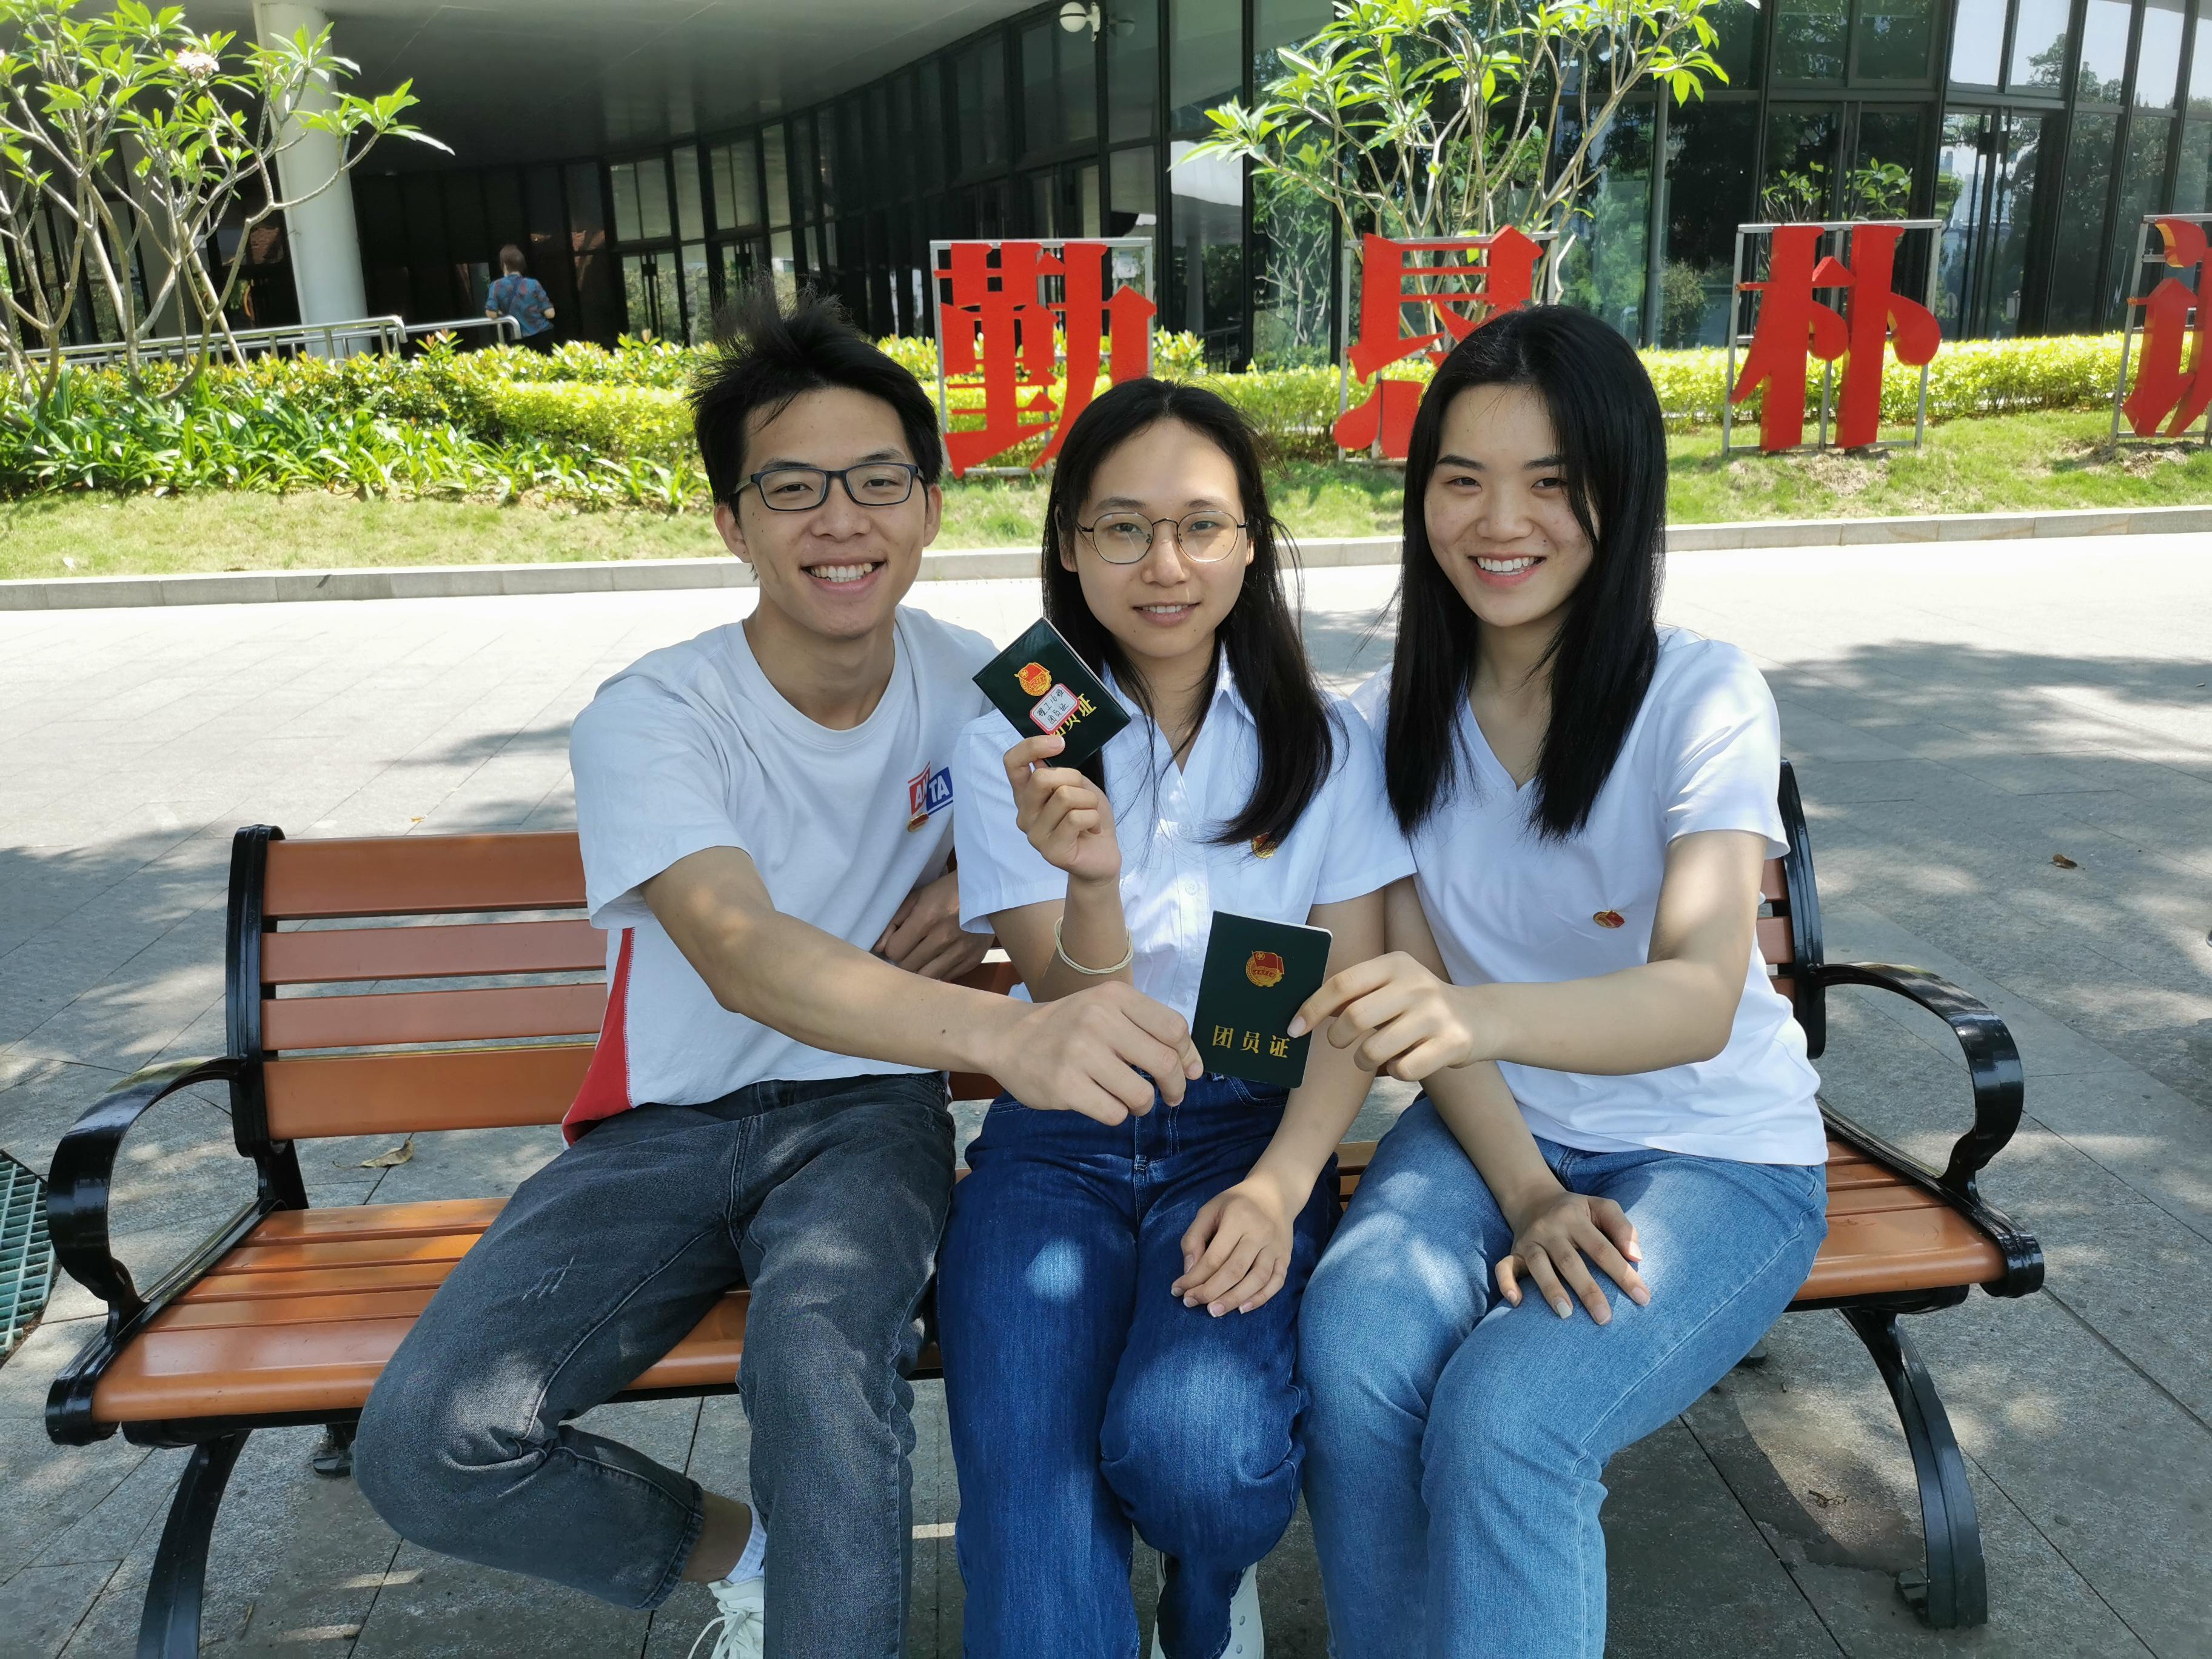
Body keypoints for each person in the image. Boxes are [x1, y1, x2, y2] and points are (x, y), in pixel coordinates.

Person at [350, 290, 1204, 1659]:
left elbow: (1166, 797)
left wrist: (986, 883)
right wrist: (1005, 1031)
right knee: (429, 1439)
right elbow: (738, 949)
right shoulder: (652, 715)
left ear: (930, 506)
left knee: (816, 1352)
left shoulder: (997, 680)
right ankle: (755, 1560)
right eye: (793, 488)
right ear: (730, 522)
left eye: (878, 481)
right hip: (661, 1129)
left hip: (866, 1112)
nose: (840, 520)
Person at [1290, 306, 1830, 1659]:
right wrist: (1529, 1188)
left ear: (1618, 491)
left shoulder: (1700, 696)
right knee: (1351, 1345)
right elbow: (1408, 975)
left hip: (1719, 1153)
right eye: (1460, 479)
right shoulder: (1383, 725)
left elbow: (1696, 995)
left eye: (1548, 481)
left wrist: (1464, 1014)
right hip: (1494, 1131)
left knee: (1508, 1423)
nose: (1498, 522)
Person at [935, 378, 1413, 1659]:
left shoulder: (1324, 743)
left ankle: (1205, 1585)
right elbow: (1066, 1015)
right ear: (1069, 544)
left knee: (1201, 1456)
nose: (1164, 564)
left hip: (1244, 1132)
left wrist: (1277, 1188)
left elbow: (1346, 1002)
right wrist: (1091, 882)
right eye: (1122, 528)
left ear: (1250, 541)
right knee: (1034, 1533)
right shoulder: (1018, 733)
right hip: (1061, 1132)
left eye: (1201, 525)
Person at [486, 243, 557, 351]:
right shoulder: (533, 284)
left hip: (518, 338)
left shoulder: (497, 286)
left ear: (504, 265)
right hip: (543, 334)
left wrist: (503, 314)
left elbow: (491, 313)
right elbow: (550, 314)